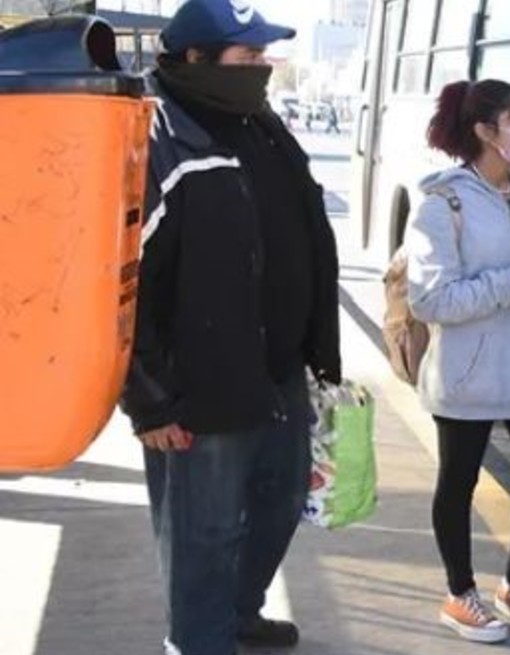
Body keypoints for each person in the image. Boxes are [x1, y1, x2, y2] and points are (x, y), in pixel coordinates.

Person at [118, 1, 341, 654]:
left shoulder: (259, 122)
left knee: (281, 500)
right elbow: (121, 282)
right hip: (200, 393)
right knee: (202, 534)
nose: (264, 68)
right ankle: (198, 639)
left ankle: (238, 612)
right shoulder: (157, 139)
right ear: (195, 59)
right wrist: (150, 398)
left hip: (277, 373)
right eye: (249, 58)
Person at [406, 79, 510, 645]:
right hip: (469, 373)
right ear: (484, 131)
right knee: (459, 484)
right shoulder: (442, 204)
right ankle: (460, 594)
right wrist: (509, 284)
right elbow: (429, 300)